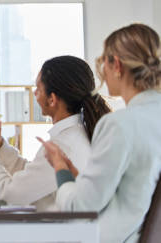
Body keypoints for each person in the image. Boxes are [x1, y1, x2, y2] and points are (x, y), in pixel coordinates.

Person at [39, 24, 161, 242]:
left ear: (116, 65)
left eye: (103, 61)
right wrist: (78, 178)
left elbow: (79, 207)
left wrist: (60, 168)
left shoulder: (120, 125)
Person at [0, 55, 110, 211]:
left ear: (52, 100)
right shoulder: (76, 135)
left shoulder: (63, 145)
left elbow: (5, 197)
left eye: (38, 89)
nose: (34, 94)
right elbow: (32, 178)